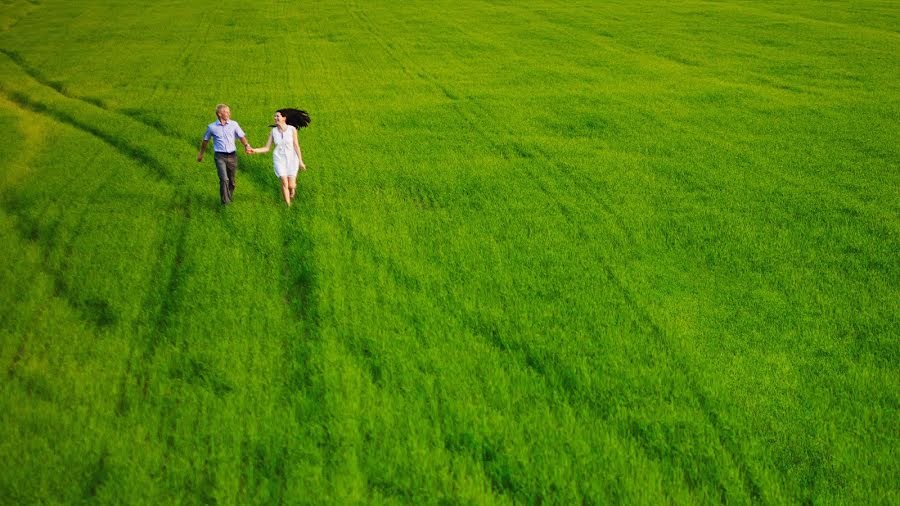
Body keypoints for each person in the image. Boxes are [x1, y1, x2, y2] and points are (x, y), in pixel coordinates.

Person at [197, 104, 253, 205]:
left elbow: (241, 136)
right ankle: (225, 203)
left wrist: (247, 145)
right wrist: (201, 154)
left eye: (229, 111)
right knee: (224, 179)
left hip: (232, 156)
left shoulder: (234, 124)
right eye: (226, 112)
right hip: (220, 156)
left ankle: (229, 197)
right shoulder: (212, 127)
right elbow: (205, 140)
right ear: (219, 114)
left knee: (232, 181)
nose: (229, 113)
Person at [249, 109, 307, 206]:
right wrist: (254, 150)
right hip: (279, 159)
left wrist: (300, 161)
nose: (275, 118)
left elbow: (296, 145)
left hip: (292, 159)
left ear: (284, 118)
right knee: (284, 182)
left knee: (291, 185)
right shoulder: (273, 131)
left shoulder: (292, 129)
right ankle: (288, 205)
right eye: (275, 116)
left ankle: (292, 190)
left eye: (277, 116)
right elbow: (267, 148)